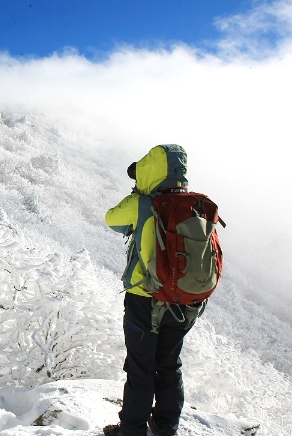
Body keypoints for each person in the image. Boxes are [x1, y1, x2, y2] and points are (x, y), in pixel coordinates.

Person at [103, 144, 196, 436]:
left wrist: (137, 195)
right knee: (169, 364)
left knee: (141, 367)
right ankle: (166, 425)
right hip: (183, 300)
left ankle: (132, 430)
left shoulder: (143, 204)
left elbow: (112, 220)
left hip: (145, 299)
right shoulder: (195, 204)